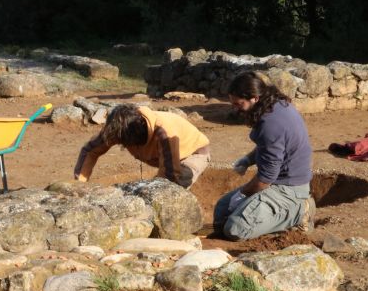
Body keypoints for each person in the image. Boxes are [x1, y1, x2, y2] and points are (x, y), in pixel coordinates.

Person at [213, 71, 315, 241]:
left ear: (254, 98)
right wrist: (248, 159)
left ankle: (300, 212)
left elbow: (265, 179)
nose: (235, 109)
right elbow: (271, 147)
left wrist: (243, 194)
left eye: (239, 104)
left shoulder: (271, 124)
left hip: (288, 188)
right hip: (278, 181)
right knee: (223, 209)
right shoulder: (275, 106)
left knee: (235, 229)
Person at [73, 103, 211, 188]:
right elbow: (90, 151)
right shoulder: (119, 127)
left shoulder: (164, 133)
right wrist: (80, 185)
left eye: (125, 143)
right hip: (162, 157)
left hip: (193, 154)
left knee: (179, 180)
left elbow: (170, 177)